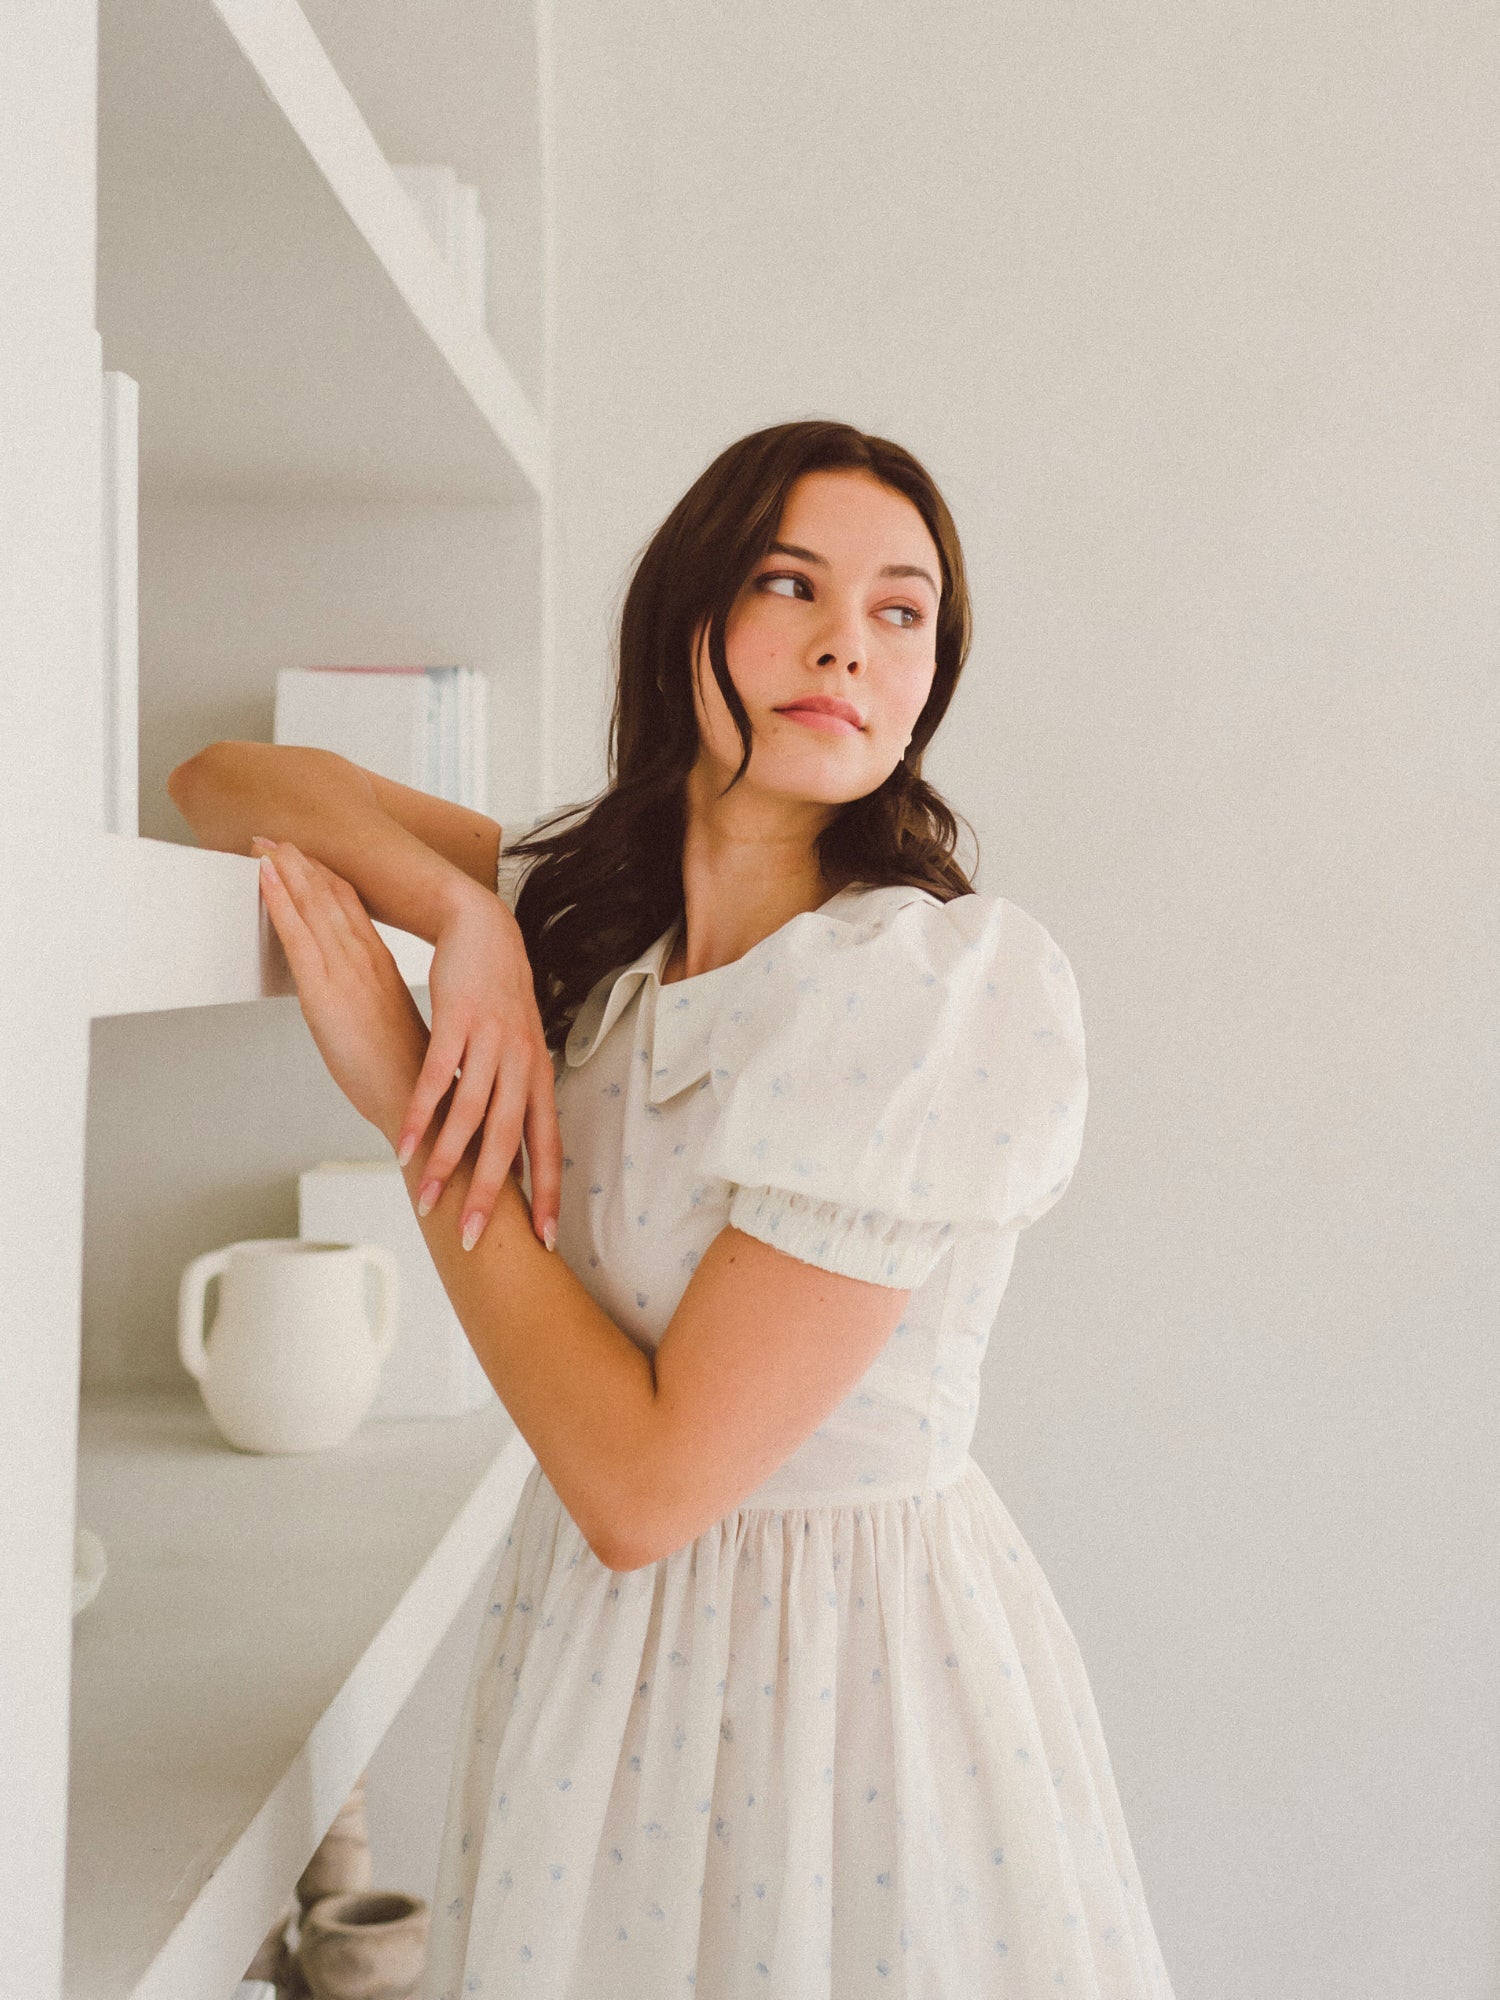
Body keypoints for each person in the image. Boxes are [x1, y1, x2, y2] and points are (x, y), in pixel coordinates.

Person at [219, 417, 1176, 1996]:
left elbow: (648, 1488)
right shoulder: (590, 919)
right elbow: (233, 780)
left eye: (899, 610)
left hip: (844, 1688)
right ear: (688, 626)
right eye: (788, 583)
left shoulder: (927, 990)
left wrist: (418, 1105)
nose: (843, 646)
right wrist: (462, 910)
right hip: (604, 1667)